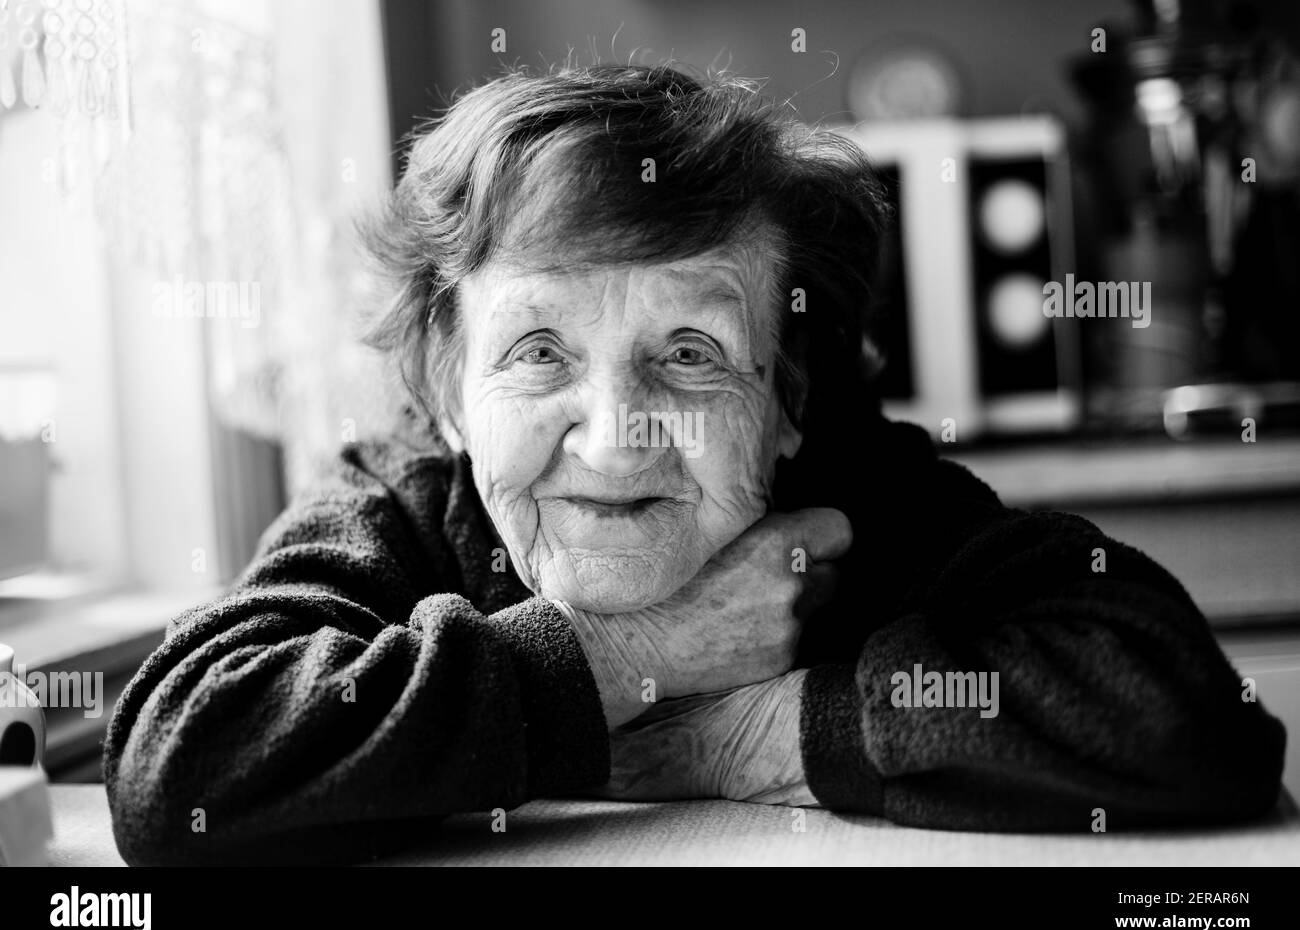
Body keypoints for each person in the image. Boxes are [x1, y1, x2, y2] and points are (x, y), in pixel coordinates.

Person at [103, 63, 1286, 865]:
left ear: (786, 396)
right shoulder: (395, 502)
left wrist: (741, 733)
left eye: (690, 352)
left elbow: (1194, 717)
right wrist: (637, 655)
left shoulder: (859, 490)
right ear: (442, 393)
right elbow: (180, 765)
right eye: (536, 350)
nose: (618, 435)